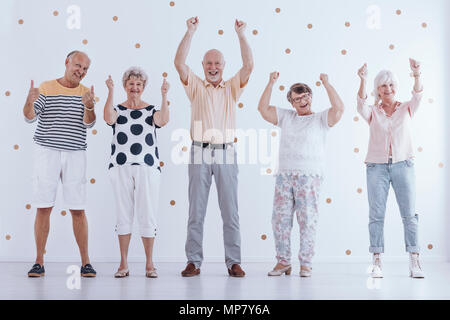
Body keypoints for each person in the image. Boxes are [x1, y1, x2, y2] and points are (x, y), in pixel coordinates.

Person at [174, 17, 253, 277]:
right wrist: (190, 31)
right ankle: (193, 261)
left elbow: (249, 65)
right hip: (199, 151)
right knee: (196, 210)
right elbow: (178, 63)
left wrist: (241, 35)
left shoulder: (232, 88)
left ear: (223, 66)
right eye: (209, 63)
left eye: (217, 63)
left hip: (226, 152)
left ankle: (234, 261)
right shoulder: (196, 86)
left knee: (230, 210)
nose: (213, 66)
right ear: (203, 66)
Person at [258, 72, 344, 277]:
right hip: (284, 176)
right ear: (292, 103)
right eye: (297, 99)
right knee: (280, 220)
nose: (302, 101)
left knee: (308, 219)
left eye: (305, 96)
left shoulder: (321, 118)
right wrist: (270, 83)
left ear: (311, 97)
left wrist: (327, 83)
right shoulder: (287, 117)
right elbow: (263, 109)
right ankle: (283, 262)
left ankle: (306, 262)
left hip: (309, 177)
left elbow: (339, 109)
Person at [23, 50, 97, 277]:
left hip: (75, 153)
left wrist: (90, 106)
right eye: (78, 66)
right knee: (44, 206)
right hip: (47, 151)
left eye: (85, 69)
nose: (81, 71)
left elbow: (89, 124)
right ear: (67, 62)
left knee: (78, 208)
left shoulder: (86, 92)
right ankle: (38, 261)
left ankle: (86, 262)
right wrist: (29, 99)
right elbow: (29, 117)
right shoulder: (46, 87)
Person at [357, 59, 424, 278]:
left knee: (409, 215)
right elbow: (360, 105)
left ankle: (414, 260)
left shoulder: (406, 108)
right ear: (377, 89)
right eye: (384, 86)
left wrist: (416, 73)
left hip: (403, 164)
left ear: (396, 87)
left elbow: (418, 95)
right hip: (376, 167)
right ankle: (376, 261)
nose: (388, 89)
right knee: (376, 215)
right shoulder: (373, 112)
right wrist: (363, 79)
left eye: (392, 85)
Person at [104, 67, 169, 278]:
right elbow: (108, 118)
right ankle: (123, 264)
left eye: (138, 85)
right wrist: (110, 91)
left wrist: (164, 95)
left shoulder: (151, 110)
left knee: (147, 214)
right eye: (131, 84)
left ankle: (150, 264)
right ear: (125, 86)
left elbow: (163, 120)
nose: (134, 88)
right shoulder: (118, 110)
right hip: (120, 167)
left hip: (147, 168)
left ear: (143, 88)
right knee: (123, 215)